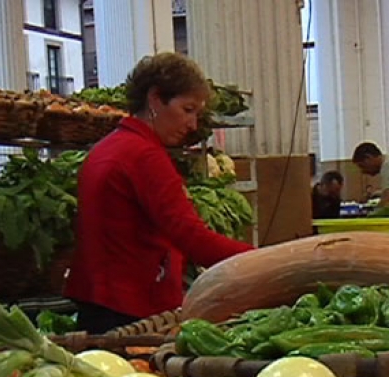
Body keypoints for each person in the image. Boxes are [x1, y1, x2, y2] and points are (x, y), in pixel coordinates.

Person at [64, 52, 254, 333]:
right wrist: (262, 260)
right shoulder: (144, 156)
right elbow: (192, 238)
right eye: (187, 110)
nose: (192, 125)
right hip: (131, 310)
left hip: (98, 302)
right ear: (155, 99)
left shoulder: (107, 147)